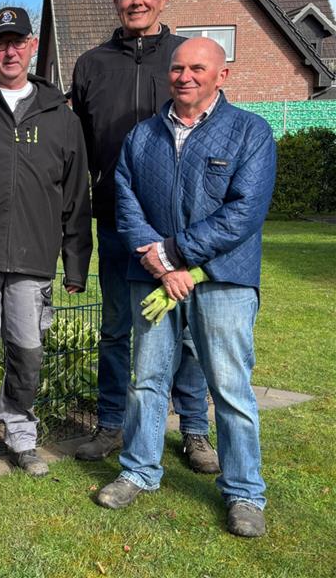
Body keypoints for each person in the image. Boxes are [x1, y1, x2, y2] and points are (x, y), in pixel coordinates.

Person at [95, 37, 276, 538]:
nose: (185, 76)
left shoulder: (250, 133)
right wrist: (158, 259)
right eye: (177, 68)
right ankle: (139, 470)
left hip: (222, 281)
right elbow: (124, 199)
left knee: (230, 387)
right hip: (151, 275)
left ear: (222, 76)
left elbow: (244, 212)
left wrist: (176, 255)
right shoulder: (142, 136)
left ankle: (244, 491)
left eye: (198, 68)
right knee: (146, 379)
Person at [71, 0, 218, 473]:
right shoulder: (90, 65)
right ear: (117, 3)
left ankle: (195, 430)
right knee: (116, 329)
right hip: (115, 221)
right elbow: (81, 151)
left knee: (189, 332)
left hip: (182, 227)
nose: (136, 0)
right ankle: (111, 424)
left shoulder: (182, 61)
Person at [0, 7, 92, 484]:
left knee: (27, 353)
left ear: (31, 46)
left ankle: (22, 437)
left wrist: (75, 264)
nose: (9, 50)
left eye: (17, 41)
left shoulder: (61, 118)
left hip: (33, 260)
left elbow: (75, 194)